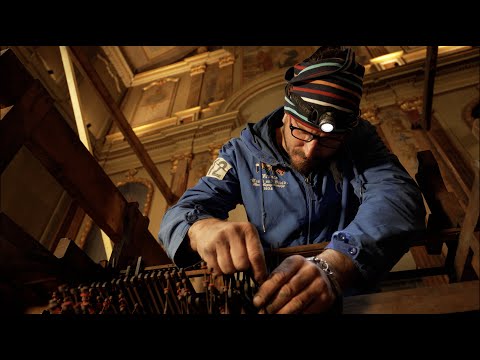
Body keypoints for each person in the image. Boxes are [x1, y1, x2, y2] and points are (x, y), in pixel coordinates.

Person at [158, 46, 426, 314]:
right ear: (287, 114)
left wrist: (336, 263)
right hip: (268, 295)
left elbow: (397, 197)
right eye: (301, 132)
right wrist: (200, 229)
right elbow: (179, 213)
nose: (310, 150)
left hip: (346, 293)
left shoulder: (359, 141)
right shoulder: (241, 153)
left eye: (328, 140)